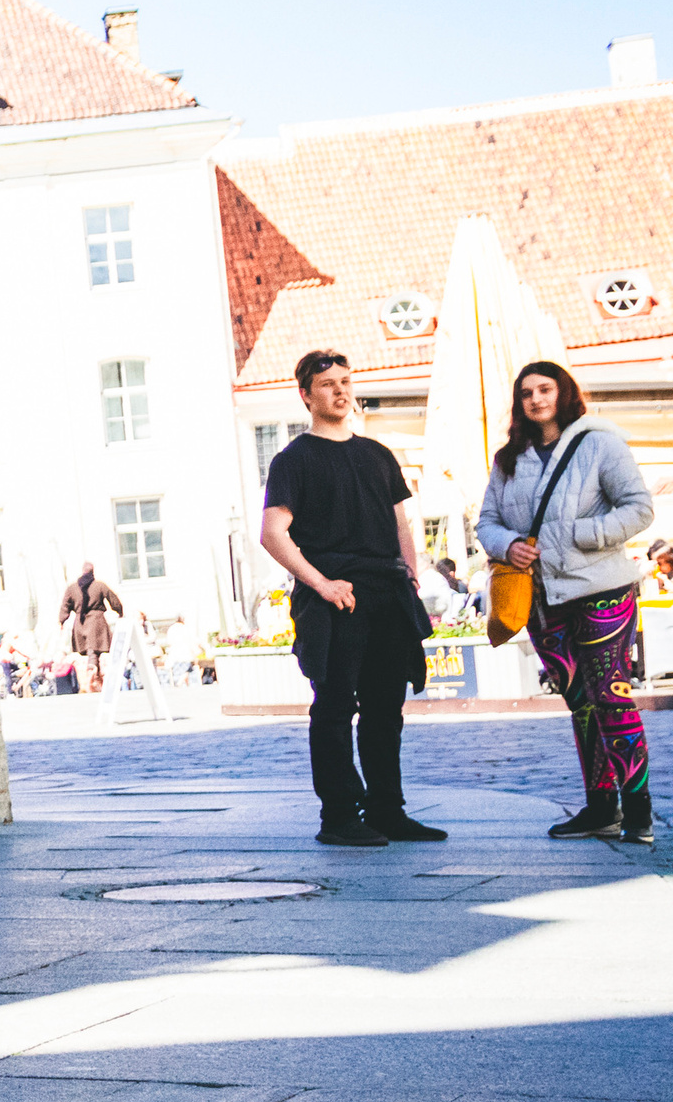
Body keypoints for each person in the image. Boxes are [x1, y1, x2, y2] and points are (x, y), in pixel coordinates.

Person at [259, 349, 445, 847]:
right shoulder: (292, 460)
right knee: (336, 707)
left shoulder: (377, 454)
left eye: (345, 381)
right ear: (306, 395)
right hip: (333, 598)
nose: (340, 390)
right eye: (327, 384)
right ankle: (338, 816)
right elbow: (273, 534)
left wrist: (410, 574)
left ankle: (387, 811)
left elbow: (402, 520)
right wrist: (322, 584)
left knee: (387, 707)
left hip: (386, 594)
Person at [475, 360, 656, 843]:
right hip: (540, 598)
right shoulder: (508, 458)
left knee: (611, 698)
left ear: (564, 393)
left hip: (600, 591)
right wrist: (507, 543)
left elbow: (639, 508)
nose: (536, 399)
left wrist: (582, 535)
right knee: (579, 702)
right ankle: (601, 807)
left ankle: (638, 809)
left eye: (545, 389)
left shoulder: (599, 443)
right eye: (526, 392)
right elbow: (486, 522)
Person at [58, 563, 122, 693]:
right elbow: (113, 599)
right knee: (94, 651)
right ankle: (93, 675)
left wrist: (61, 620)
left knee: (90, 651)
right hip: (96, 623)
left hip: (81, 624)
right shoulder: (99, 586)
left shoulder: (72, 588)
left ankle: (91, 677)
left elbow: (65, 606)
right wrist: (120, 612)